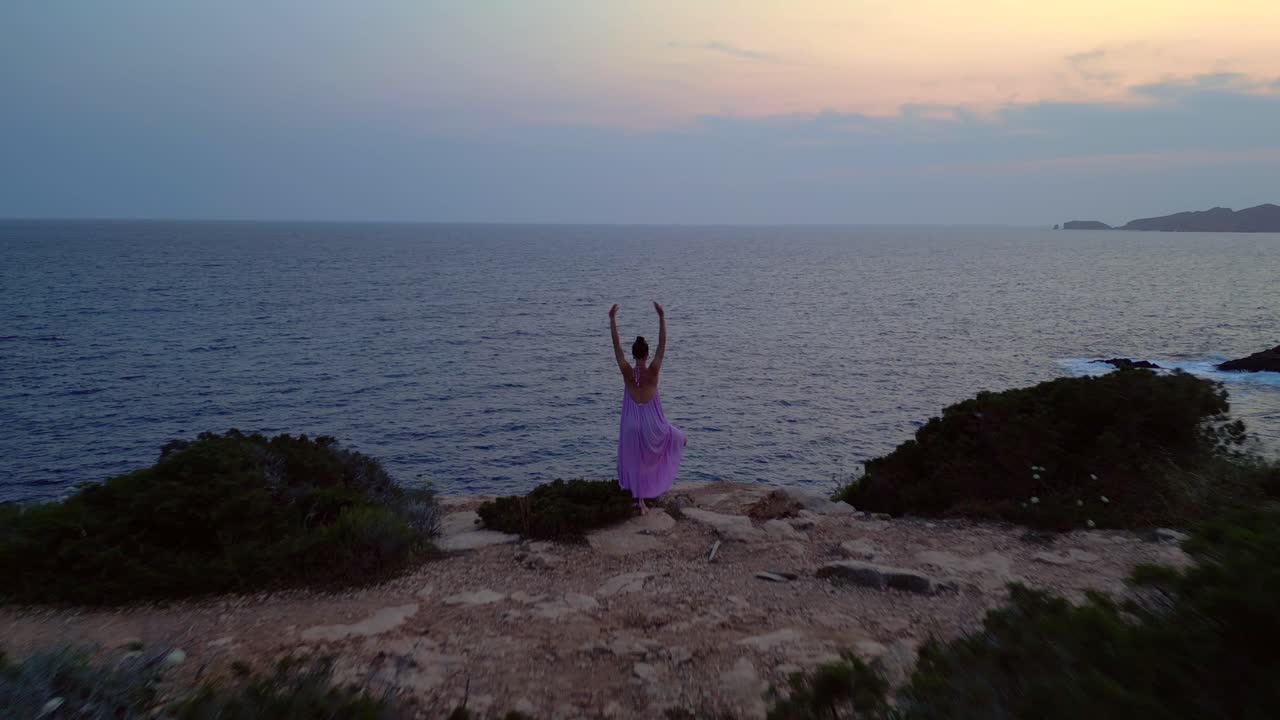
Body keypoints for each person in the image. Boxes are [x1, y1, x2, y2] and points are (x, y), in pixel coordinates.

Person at [609, 301, 686, 514]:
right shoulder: (653, 371)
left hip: (632, 424)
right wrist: (661, 318)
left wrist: (612, 320)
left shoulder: (627, 371)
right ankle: (644, 499)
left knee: (635, 461)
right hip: (652, 425)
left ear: (634, 355)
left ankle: (639, 501)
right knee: (676, 438)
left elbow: (616, 349)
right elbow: (663, 345)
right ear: (647, 354)